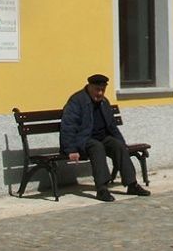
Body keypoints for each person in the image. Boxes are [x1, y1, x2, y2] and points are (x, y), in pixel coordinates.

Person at [59, 74, 151, 202]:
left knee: (118, 146)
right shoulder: (77, 101)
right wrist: (71, 149)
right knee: (97, 147)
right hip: (84, 140)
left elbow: (112, 127)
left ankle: (132, 184)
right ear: (89, 87)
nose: (100, 93)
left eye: (103, 90)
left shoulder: (104, 102)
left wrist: (122, 143)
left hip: (102, 137)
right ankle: (102, 189)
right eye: (97, 89)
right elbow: (68, 126)